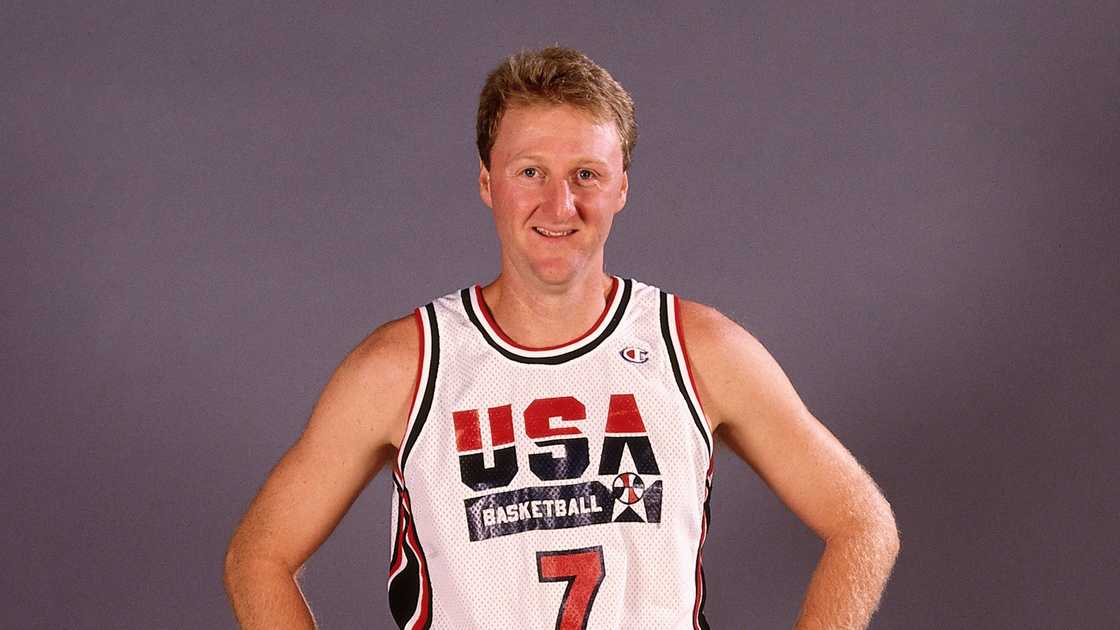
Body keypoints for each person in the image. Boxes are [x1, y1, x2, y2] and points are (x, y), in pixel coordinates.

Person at [223, 46, 900, 630]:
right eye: (530, 172)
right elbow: (259, 555)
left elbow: (862, 524)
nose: (559, 205)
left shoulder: (698, 349)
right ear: (487, 182)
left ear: (621, 188)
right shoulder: (406, 365)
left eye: (586, 174)